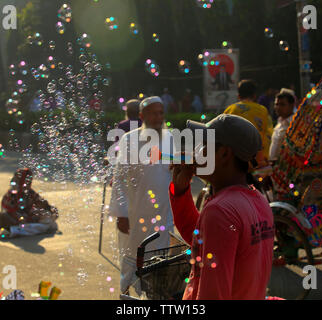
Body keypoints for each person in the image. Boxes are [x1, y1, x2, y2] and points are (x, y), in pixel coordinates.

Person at [169, 114, 274, 299]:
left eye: (203, 145)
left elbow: (213, 294)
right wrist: (180, 190)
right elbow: (201, 240)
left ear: (224, 153)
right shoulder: (258, 199)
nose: (196, 151)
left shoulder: (220, 210)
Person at [109, 96, 174, 295]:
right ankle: (126, 296)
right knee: (132, 256)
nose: (158, 117)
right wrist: (121, 213)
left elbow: (171, 173)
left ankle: (155, 295)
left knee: (161, 259)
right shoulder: (130, 139)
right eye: (153, 113)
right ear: (142, 115)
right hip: (136, 212)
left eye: (161, 113)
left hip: (163, 211)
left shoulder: (169, 137)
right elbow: (119, 178)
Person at [0, 168, 58, 237]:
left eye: (30, 181)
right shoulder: (12, 194)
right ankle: (11, 231)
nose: (29, 183)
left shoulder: (30, 193)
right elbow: (6, 211)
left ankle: (11, 231)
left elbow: (41, 202)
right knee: (45, 225)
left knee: (47, 218)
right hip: (11, 221)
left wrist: (50, 209)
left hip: (24, 219)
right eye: (26, 180)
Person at [223, 80, 273, 168]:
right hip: (257, 161)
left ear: (238, 96)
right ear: (254, 95)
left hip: (235, 162)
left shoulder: (230, 110)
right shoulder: (262, 110)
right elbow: (268, 134)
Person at [269, 90, 296, 163]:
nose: (278, 107)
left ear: (292, 105)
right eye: (276, 104)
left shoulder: (295, 125)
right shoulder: (279, 123)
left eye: (282, 104)